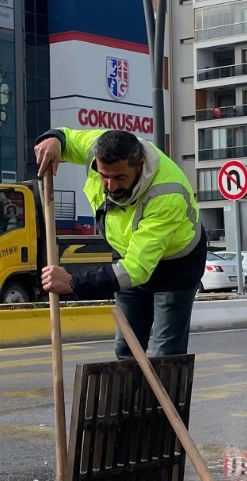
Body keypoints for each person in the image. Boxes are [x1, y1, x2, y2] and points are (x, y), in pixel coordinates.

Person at [33, 127, 206, 360]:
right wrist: (53, 140)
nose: (111, 186)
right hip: (127, 256)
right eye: (104, 176)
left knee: (166, 355)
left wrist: (74, 282)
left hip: (175, 267)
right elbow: (68, 138)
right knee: (126, 348)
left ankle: (165, 384)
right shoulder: (98, 146)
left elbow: (137, 269)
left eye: (120, 178)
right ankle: (131, 386)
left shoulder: (166, 195)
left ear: (139, 166)